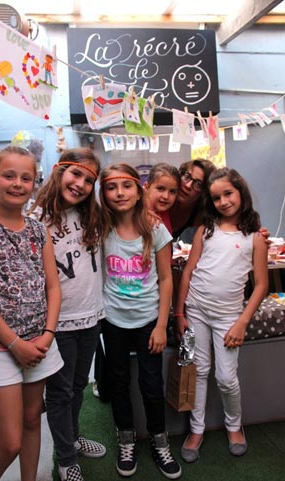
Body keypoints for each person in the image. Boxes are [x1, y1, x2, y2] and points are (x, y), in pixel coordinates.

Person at [0, 146, 63, 481]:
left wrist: (48, 335)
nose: (17, 183)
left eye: (26, 178)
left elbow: (53, 286)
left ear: (34, 184)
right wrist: (13, 344)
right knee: (8, 442)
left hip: (39, 343)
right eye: (9, 175)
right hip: (0, 347)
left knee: (32, 419)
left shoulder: (39, 231)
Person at [174, 168, 268, 463]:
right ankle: (197, 429)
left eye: (228, 193)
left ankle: (234, 425)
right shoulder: (205, 230)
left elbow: (262, 285)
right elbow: (189, 272)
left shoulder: (255, 237)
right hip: (197, 311)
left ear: (240, 192)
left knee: (226, 378)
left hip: (229, 317)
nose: (223, 201)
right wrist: (180, 312)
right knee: (199, 370)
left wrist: (242, 322)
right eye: (216, 197)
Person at [99, 163, 181, 479]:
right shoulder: (100, 229)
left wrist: (162, 325)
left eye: (126, 186)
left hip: (149, 320)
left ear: (139, 190)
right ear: (103, 193)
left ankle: (160, 442)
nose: (119, 193)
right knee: (118, 382)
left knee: (151, 384)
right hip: (114, 321)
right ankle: (126, 439)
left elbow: (165, 279)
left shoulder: (155, 229)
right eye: (111, 187)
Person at [30, 148, 106, 481]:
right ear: (59, 171)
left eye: (89, 180)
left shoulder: (94, 216)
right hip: (56, 324)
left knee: (79, 386)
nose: (81, 184)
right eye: (76, 174)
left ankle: (73, 437)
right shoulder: (35, 218)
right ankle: (65, 457)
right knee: (59, 393)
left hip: (90, 317)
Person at [168, 159, 215, 243]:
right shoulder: (162, 199)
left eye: (198, 184)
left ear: (204, 192)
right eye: (187, 177)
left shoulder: (200, 216)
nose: (188, 185)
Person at [144, 163, 181, 236]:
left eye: (172, 191)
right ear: (146, 187)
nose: (166, 196)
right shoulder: (135, 213)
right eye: (160, 189)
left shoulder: (165, 211)